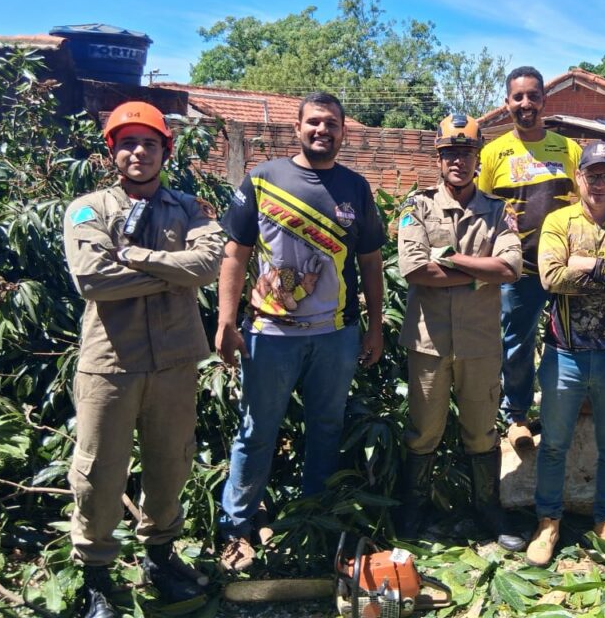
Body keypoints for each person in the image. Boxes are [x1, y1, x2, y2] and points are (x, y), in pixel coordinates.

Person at [63, 101, 223, 617]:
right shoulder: (88, 210)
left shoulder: (190, 208)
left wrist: (134, 255)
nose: (138, 152)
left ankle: (159, 556)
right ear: (113, 152)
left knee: (170, 464)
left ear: (165, 151)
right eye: (127, 143)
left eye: (149, 143)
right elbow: (93, 279)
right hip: (111, 362)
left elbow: (208, 264)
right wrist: (173, 270)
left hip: (175, 360)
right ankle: (96, 575)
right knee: (98, 470)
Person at [215, 91, 386, 573]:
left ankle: (312, 522)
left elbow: (371, 261)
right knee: (256, 432)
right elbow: (235, 253)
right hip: (269, 335)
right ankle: (236, 527)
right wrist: (227, 320)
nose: (322, 131)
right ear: (297, 127)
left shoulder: (355, 188)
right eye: (314, 122)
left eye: (331, 124)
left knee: (326, 430)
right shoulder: (264, 179)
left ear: (343, 132)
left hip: (335, 335)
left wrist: (374, 327)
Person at [478, 67, 605, 448]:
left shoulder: (567, 149)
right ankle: (518, 416)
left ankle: (579, 400)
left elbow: (591, 193)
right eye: (518, 97)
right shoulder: (492, 153)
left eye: (533, 96)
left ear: (544, 100)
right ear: (507, 103)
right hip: (519, 270)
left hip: (569, 266)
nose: (526, 103)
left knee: (575, 336)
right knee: (518, 343)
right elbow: (481, 209)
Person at [394, 114, 525, 551]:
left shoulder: (500, 210)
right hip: (429, 343)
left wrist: (448, 258)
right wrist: (478, 273)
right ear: (438, 157)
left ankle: (487, 509)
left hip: (480, 344)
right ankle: (415, 506)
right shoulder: (416, 208)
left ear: (477, 158)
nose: (458, 161)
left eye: (466, 153)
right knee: (423, 431)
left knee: (481, 431)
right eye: (450, 153)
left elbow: (511, 267)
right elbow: (413, 268)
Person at [525, 141, 605, 569]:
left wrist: (591, 265)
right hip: (565, 352)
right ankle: (548, 523)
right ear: (579, 177)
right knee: (553, 446)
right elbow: (551, 277)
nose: (598, 182)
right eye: (591, 174)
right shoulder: (558, 220)